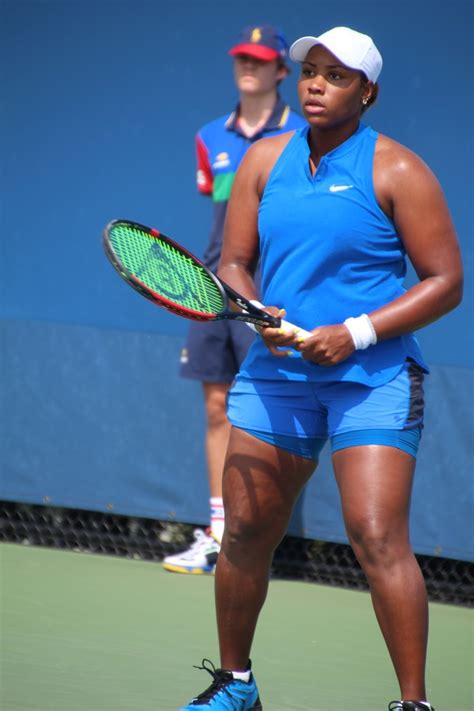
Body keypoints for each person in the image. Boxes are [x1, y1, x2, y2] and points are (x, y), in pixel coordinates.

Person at [178, 26, 463, 711]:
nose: (314, 84)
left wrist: (355, 332)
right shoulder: (260, 161)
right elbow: (234, 261)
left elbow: (446, 280)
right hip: (279, 375)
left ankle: (413, 703)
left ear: (368, 92)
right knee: (245, 531)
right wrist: (255, 311)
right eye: (310, 70)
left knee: (375, 534)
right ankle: (236, 684)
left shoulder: (398, 169)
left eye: (336, 76)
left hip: (376, 378)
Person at [163, 25, 306, 575]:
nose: (249, 67)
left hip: (270, 297)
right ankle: (219, 534)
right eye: (242, 58)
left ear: (280, 72)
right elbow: (222, 215)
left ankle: (254, 538)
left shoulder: (299, 136)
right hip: (209, 290)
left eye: (261, 59)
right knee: (217, 408)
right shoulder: (209, 136)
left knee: (267, 414)